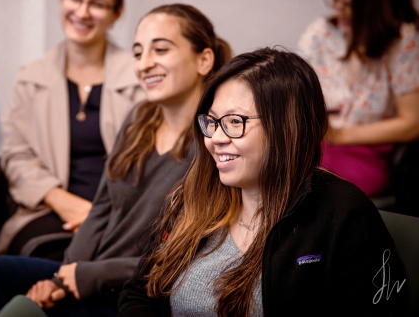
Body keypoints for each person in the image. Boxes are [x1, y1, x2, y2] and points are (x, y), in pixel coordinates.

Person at [0, 3, 227, 317]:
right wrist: (63, 276)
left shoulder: (212, 142)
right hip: (86, 273)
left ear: (204, 59)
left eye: (160, 50)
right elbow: (101, 208)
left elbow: (185, 257)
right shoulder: (139, 119)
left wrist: (89, 277)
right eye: (138, 53)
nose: (145, 64)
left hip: (136, 291)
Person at [119, 48, 405, 316]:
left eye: (234, 122)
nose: (215, 139)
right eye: (213, 122)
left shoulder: (344, 214)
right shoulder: (195, 195)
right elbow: (139, 294)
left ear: (287, 127)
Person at [0, 0, 145, 255]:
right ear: (62, 0)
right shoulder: (31, 78)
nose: (83, 12)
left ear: (117, 13)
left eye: (98, 3)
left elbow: (156, 163)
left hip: (124, 214)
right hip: (50, 209)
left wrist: (100, 215)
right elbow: (16, 156)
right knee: (35, 256)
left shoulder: (141, 78)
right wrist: (64, 202)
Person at [298, 0, 419, 197]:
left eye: (348, 4)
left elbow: (411, 123)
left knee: (320, 193)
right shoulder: (321, 33)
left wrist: (340, 135)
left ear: (372, 8)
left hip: (363, 150)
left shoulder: (401, 42)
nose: (337, 9)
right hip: (313, 142)